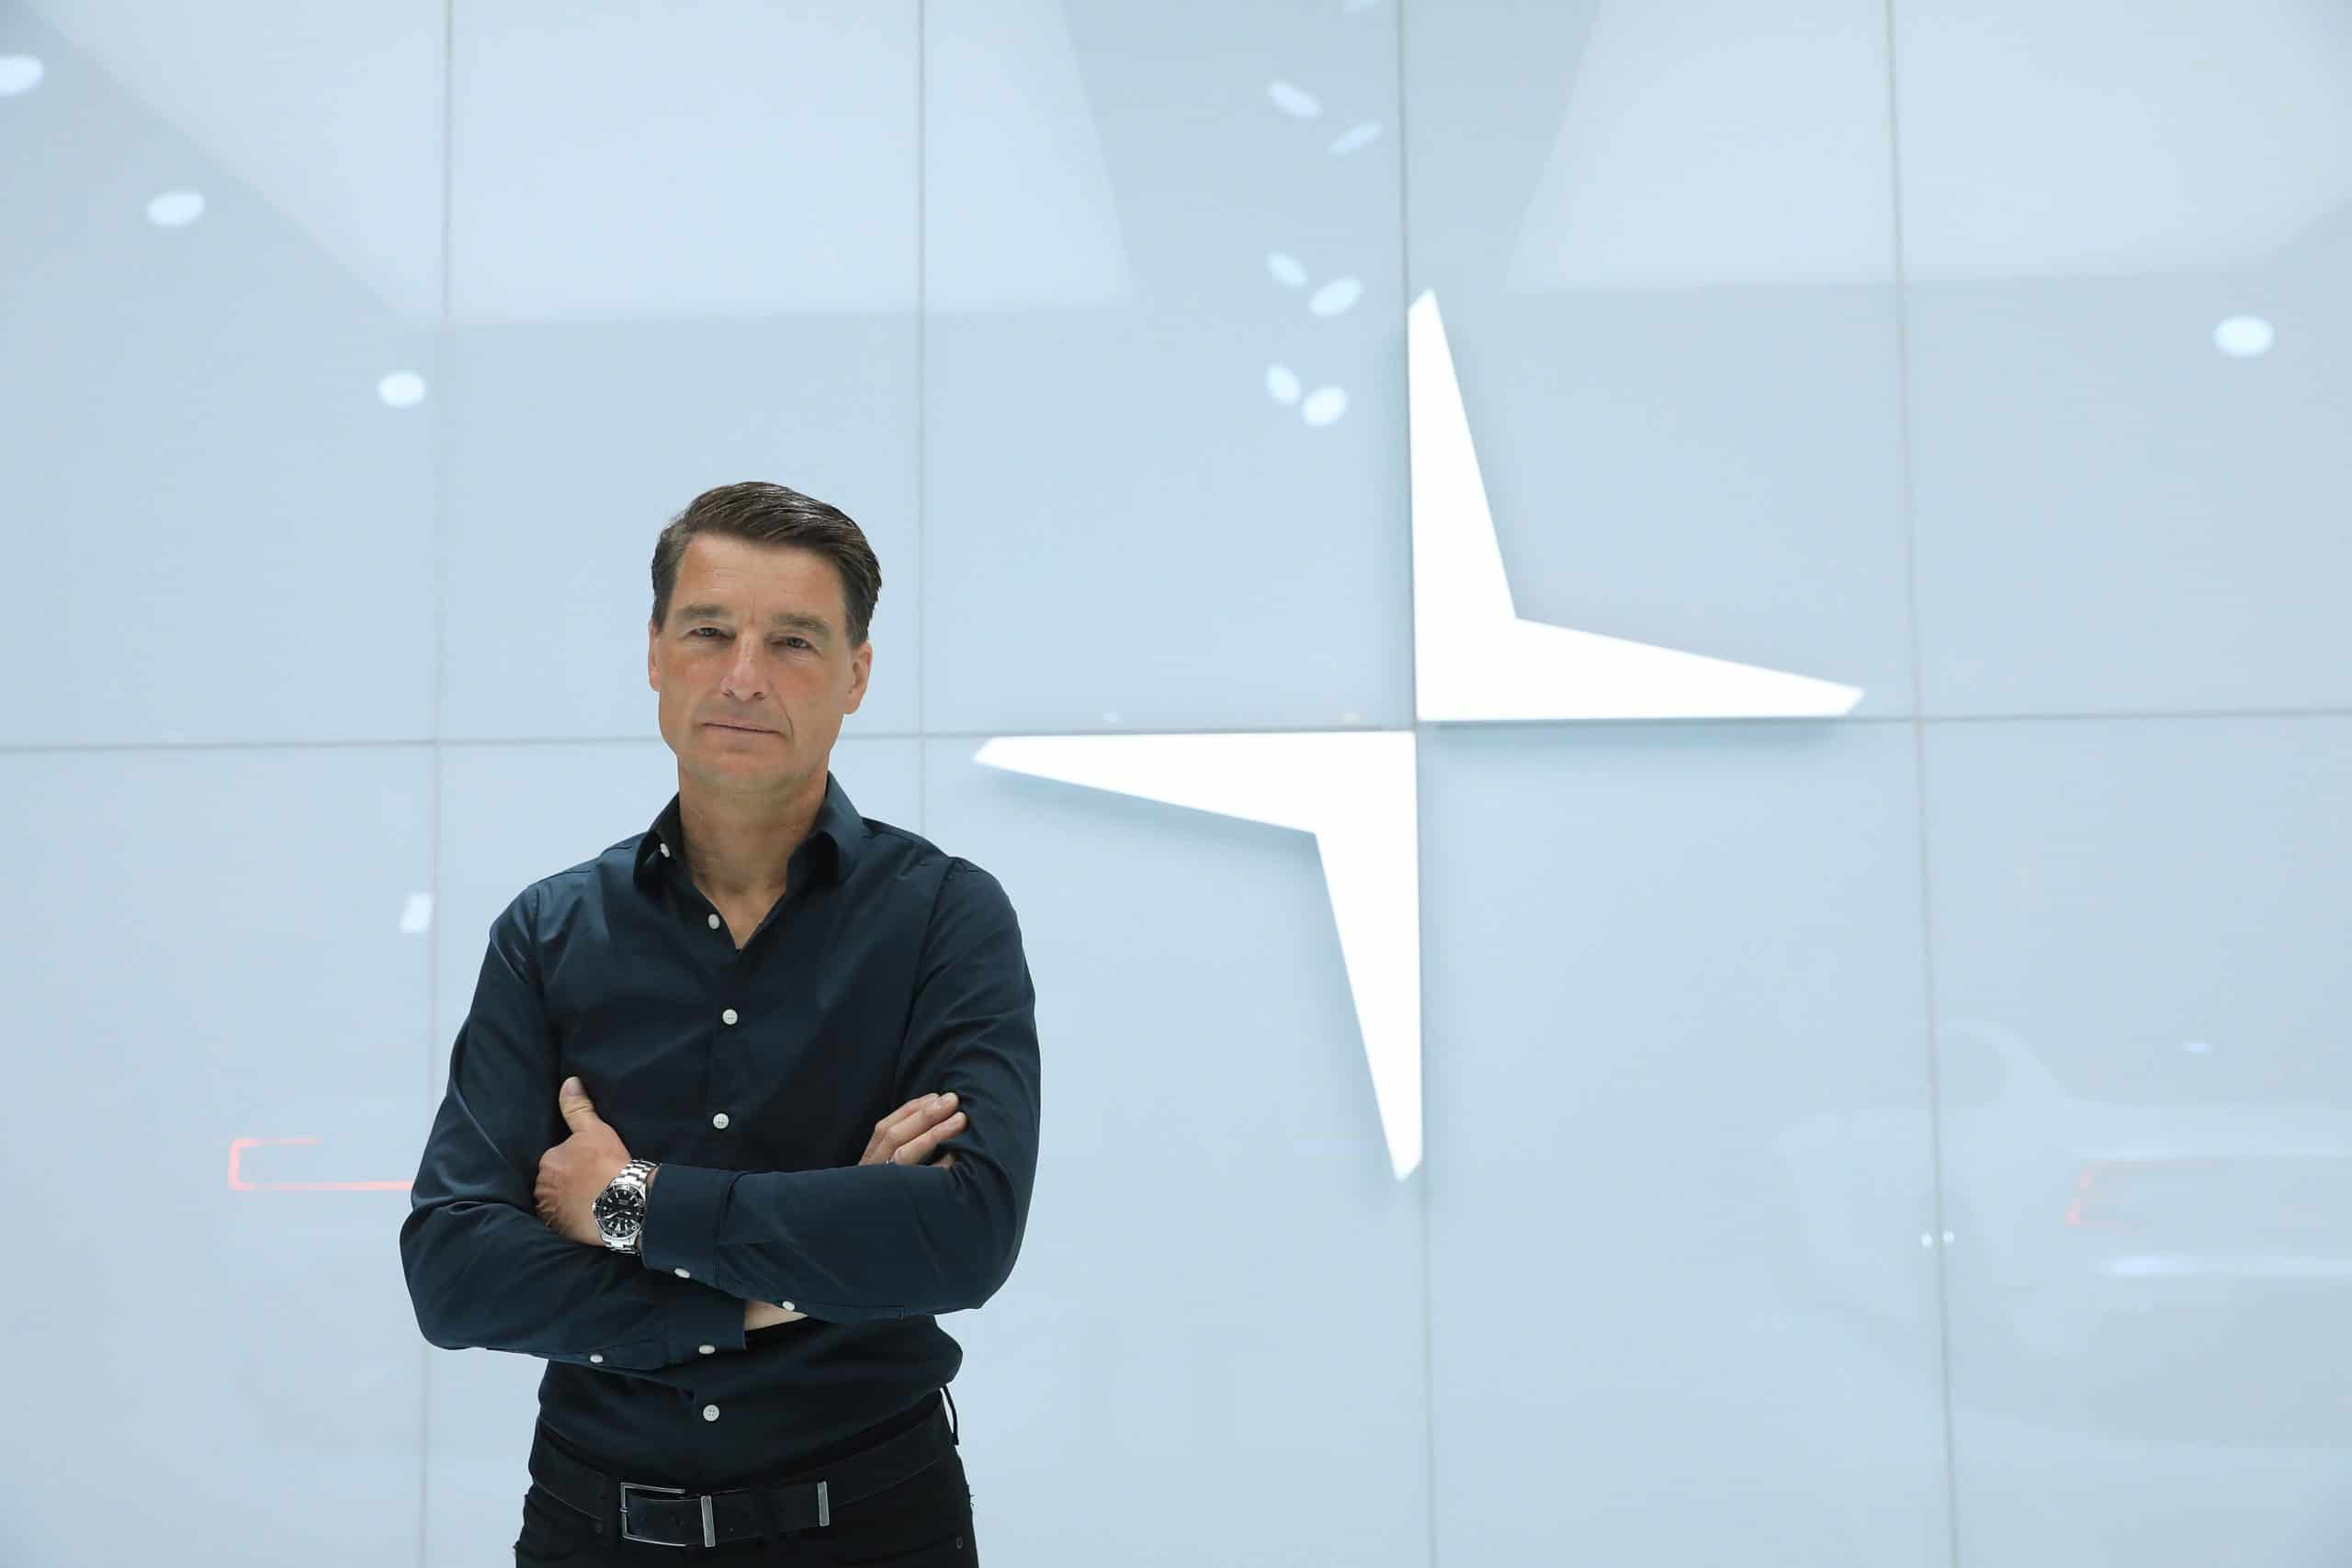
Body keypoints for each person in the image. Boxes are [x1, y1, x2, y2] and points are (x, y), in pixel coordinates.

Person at [399, 480, 1040, 1562]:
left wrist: (626, 1203)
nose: (744, 676)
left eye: (793, 640)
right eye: (708, 632)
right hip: (593, 1532)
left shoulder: (942, 917)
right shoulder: (549, 933)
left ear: (856, 674)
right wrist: (779, 1291)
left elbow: (961, 1236)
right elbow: (456, 1272)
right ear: (655, 653)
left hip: (876, 1528)